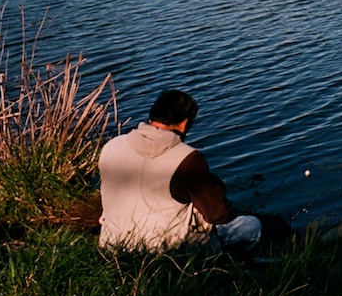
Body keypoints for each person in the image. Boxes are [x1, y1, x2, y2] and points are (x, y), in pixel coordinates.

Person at [98, 89, 262, 253]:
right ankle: (223, 264)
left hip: (112, 243)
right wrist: (216, 187)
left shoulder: (112, 146)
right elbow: (217, 214)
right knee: (250, 225)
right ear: (185, 123)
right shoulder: (187, 158)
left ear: (151, 117)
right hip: (164, 250)